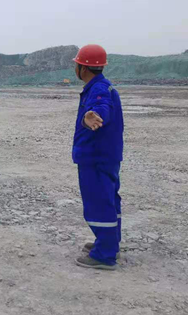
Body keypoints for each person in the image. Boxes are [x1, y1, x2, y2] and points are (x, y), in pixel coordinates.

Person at [72, 45, 124, 270]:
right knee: (108, 200)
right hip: (106, 156)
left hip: (96, 157)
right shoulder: (101, 86)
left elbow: (101, 108)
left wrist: (90, 117)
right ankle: (109, 243)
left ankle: (104, 255)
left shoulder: (99, 89)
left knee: (98, 203)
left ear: (83, 68)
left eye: (76, 64)